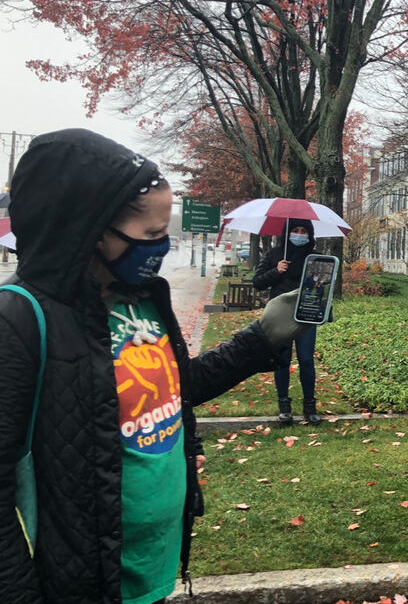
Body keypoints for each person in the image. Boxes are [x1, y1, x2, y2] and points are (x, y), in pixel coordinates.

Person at [0, 129, 308, 603]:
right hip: (82, 581)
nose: (161, 248)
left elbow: (177, 389)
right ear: (92, 230)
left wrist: (260, 339)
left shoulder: (145, 298)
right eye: (151, 235)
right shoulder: (19, 318)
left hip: (153, 565)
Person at [253, 219, 320, 424]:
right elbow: (257, 282)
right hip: (280, 315)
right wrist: (276, 270)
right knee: (282, 360)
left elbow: (324, 285)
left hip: (306, 314)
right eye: (295, 230)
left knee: (306, 359)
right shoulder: (274, 254)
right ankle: (284, 405)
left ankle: (309, 405)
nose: (300, 234)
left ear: (309, 235)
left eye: (304, 231)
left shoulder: (315, 257)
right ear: (287, 233)